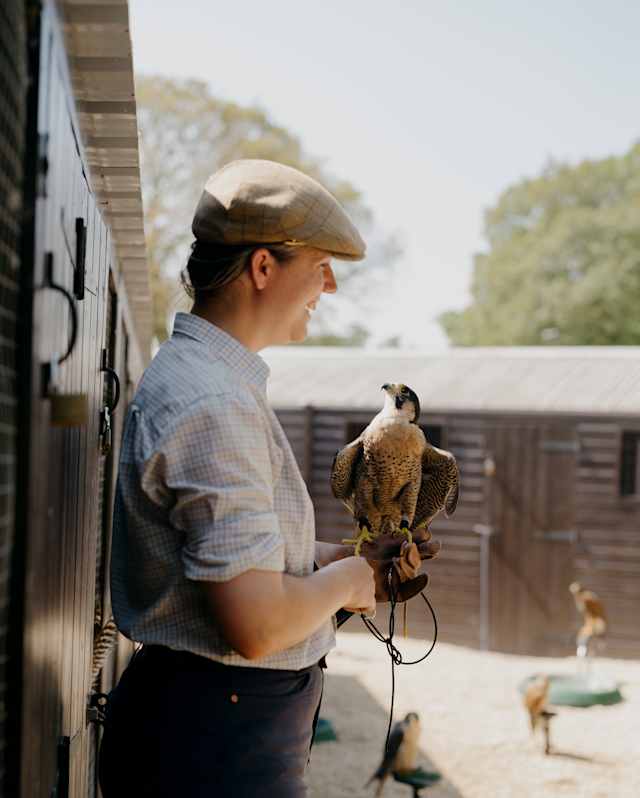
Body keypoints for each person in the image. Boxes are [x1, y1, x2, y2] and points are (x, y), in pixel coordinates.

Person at [98, 159, 438, 798]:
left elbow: (219, 566)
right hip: (214, 742)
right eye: (320, 265)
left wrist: (341, 556)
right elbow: (254, 626)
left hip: (214, 726)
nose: (330, 286)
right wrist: (347, 579)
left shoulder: (213, 380)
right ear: (262, 268)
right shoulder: (213, 402)